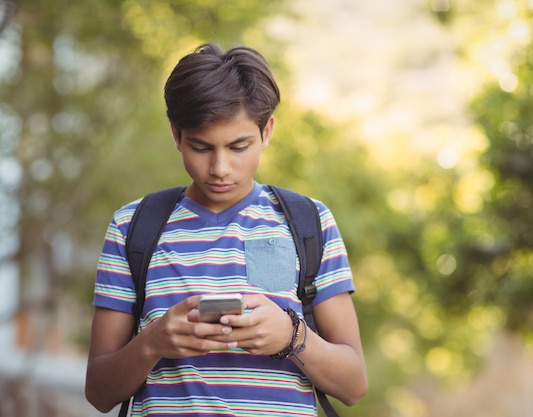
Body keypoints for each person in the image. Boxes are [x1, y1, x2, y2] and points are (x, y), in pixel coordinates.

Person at [84, 43, 368, 417]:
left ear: (267, 131)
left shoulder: (309, 222)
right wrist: (153, 342)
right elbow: (99, 393)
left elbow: (353, 386)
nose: (220, 167)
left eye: (238, 147)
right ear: (176, 135)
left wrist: (291, 336)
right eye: (201, 147)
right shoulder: (133, 226)